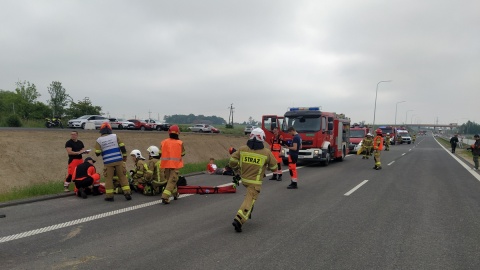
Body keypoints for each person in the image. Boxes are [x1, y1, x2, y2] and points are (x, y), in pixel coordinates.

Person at [229, 128, 277, 232]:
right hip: (255, 183)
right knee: (249, 200)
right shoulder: (266, 153)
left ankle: (248, 212)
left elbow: (232, 161)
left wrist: (237, 167)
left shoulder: (242, 149)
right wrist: (267, 167)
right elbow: (274, 168)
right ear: (262, 138)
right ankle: (239, 219)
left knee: (250, 198)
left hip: (244, 179)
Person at [94, 122, 132, 201]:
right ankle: (127, 193)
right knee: (122, 177)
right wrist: (124, 156)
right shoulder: (115, 136)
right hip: (118, 160)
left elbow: (97, 152)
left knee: (109, 179)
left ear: (101, 131)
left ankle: (109, 196)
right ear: (110, 129)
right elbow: (122, 147)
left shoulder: (99, 140)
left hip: (108, 162)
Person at [159, 125, 185, 204]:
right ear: (178, 133)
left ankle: (175, 194)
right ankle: (165, 197)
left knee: (170, 181)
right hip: (175, 166)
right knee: (172, 181)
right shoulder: (180, 143)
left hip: (166, 165)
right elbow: (183, 153)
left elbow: (160, 153)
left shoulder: (164, 142)